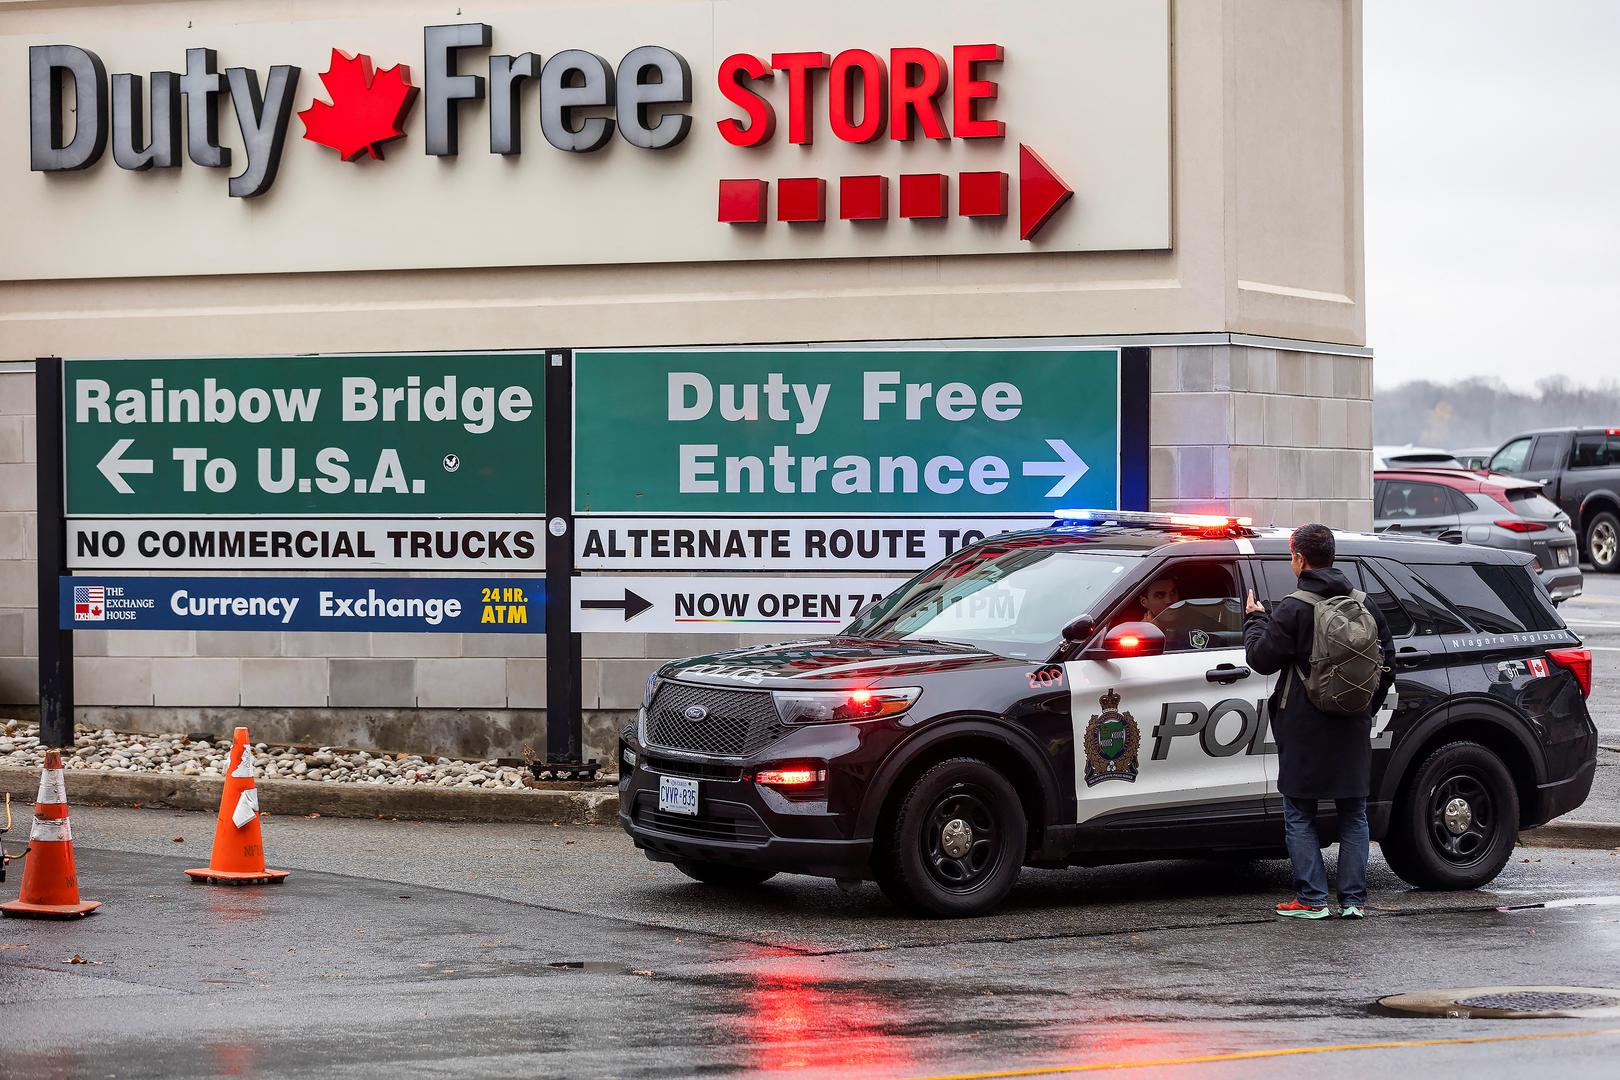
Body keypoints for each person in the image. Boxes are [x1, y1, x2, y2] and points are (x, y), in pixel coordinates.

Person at [1242, 523, 1394, 920]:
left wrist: (1255, 619)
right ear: (1332, 555)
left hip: (1304, 726)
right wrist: (1365, 707)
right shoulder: (1365, 605)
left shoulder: (1294, 608)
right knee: (1353, 813)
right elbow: (1388, 664)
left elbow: (1260, 659)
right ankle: (1353, 902)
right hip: (1353, 723)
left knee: (1299, 810)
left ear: (1298, 558)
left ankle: (1310, 900)